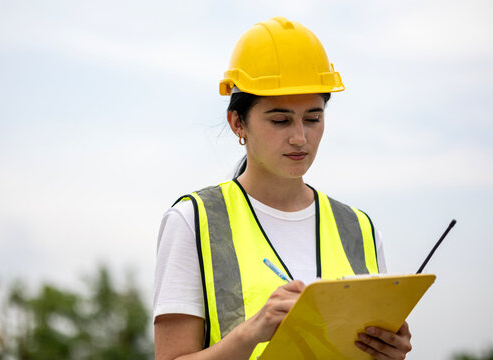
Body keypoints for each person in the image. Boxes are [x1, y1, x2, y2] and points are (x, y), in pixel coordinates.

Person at [153, 16, 413, 360]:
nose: (299, 138)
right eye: (280, 120)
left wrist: (388, 352)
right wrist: (253, 330)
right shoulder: (193, 221)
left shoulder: (359, 229)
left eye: (313, 118)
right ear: (237, 123)